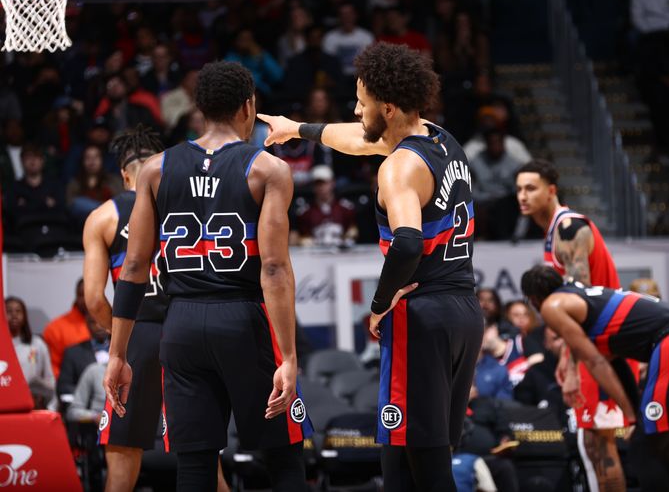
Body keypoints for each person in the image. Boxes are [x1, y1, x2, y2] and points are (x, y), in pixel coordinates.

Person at [260, 42, 484, 491]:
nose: (356, 111)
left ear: (386, 107)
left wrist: (380, 303)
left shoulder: (399, 169)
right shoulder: (441, 139)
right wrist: (298, 129)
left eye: (361, 104)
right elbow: (359, 139)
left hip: (422, 316)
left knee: (425, 467)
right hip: (464, 312)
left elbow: (406, 243)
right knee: (405, 457)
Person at [103, 61, 311, 491]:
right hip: (242, 320)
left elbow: (135, 268)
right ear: (248, 107)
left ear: (199, 108)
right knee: (284, 457)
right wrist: (288, 357)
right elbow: (273, 268)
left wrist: (118, 354)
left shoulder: (156, 169)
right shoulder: (268, 169)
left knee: (195, 466)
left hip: (179, 327)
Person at [83, 126, 206, 492]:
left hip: (137, 335)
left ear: (123, 174)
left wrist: (123, 334)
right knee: (200, 455)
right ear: (162, 166)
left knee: (122, 455)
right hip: (186, 329)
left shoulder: (102, 217)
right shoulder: (189, 204)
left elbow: (93, 299)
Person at [521, 264, 669, 492]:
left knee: (644, 448)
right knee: (654, 447)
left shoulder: (552, 306)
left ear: (533, 299)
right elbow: (615, 361)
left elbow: (596, 362)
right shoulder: (583, 297)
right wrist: (632, 416)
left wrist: (631, 414)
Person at [516, 158, 630, 492]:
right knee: (593, 445)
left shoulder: (569, 229)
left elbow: (581, 310)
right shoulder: (553, 232)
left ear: (551, 190)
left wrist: (572, 365)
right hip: (595, 346)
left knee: (600, 444)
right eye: (519, 189)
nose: (522, 195)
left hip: (603, 346)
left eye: (531, 188)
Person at [5, 296, 55, 409]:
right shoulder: (3, 345)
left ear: (25, 315)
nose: (14, 315)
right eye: (9, 311)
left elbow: (49, 378)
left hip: (33, 403)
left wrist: (51, 407)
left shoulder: (37, 344)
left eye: (18, 311)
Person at [42, 278, 91, 380]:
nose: (87, 299)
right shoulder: (55, 328)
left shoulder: (111, 325)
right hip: (70, 390)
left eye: (90, 294)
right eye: (82, 295)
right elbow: (52, 367)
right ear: (76, 296)